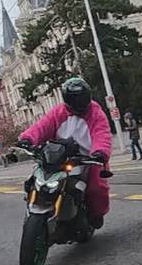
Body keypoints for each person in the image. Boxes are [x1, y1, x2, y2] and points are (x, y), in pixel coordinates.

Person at [17, 76, 111, 229]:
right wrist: (27, 139)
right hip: (58, 156)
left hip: (87, 159)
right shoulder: (59, 112)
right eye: (76, 100)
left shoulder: (96, 113)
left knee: (97, 187)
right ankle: (35, 203)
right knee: (32, 179)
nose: (80, 104)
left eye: (82, 99)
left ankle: (96, 214)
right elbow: (42, 126)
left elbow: (102, 134)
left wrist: (100, 152)